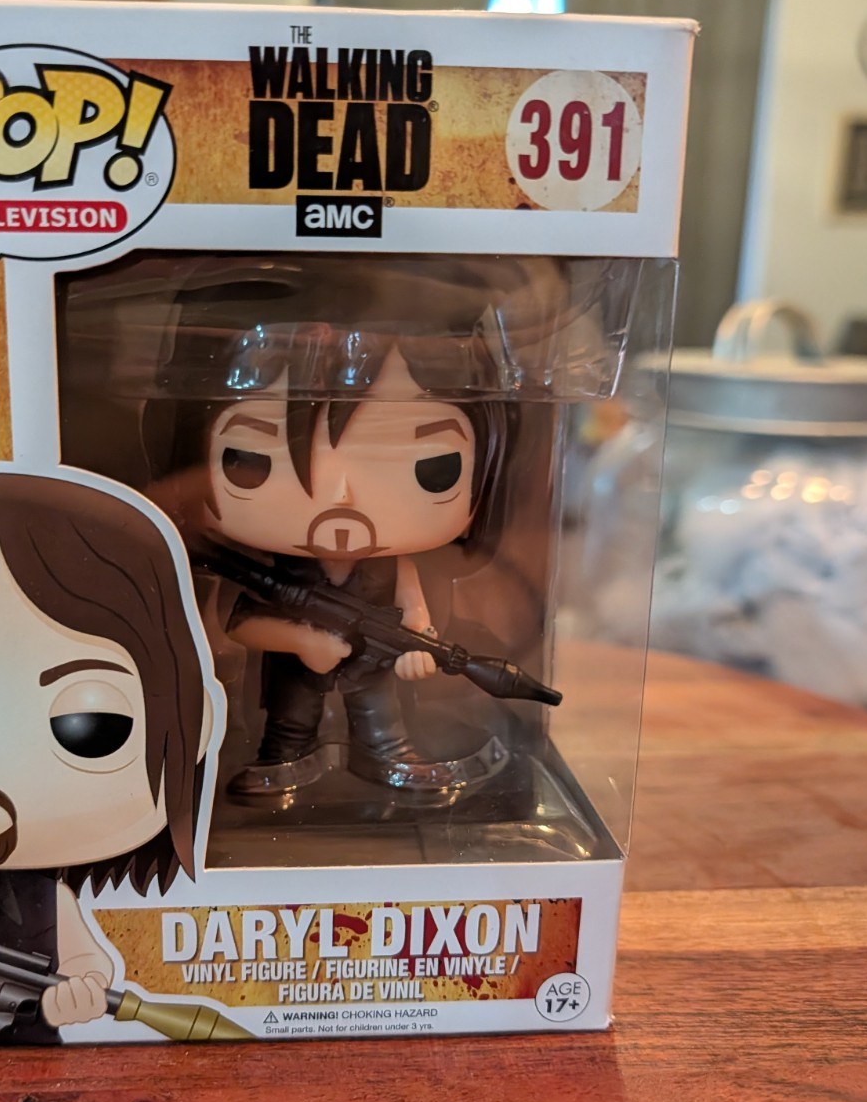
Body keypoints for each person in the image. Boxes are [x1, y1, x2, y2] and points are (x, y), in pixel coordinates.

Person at [140, 253, 564, 796]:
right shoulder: (273, 568)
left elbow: (415, 612)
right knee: (290, 723)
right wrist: (300, 639)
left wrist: (420, 645)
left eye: (432, 469)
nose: (340, 502)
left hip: (372, 662)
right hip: (299, 667)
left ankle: (386, 755)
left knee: (381, 721)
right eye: (252, 461)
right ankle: (284, 758)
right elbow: (239, 623)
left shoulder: (394, 564)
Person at [0, 469, 220, 1045]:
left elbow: (91, 961)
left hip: (39, 1054)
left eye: (91, 725)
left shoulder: (42, 895)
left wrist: (84, 988)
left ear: (200, 720)